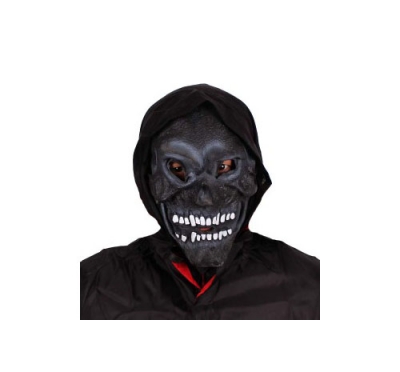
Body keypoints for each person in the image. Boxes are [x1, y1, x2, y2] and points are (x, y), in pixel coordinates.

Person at [80, 84, 320, 320]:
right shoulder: (93, 286)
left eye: (224, 167)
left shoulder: (310, 286)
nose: (204, 198)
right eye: (177, 169)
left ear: (253, 174)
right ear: (148, 179)